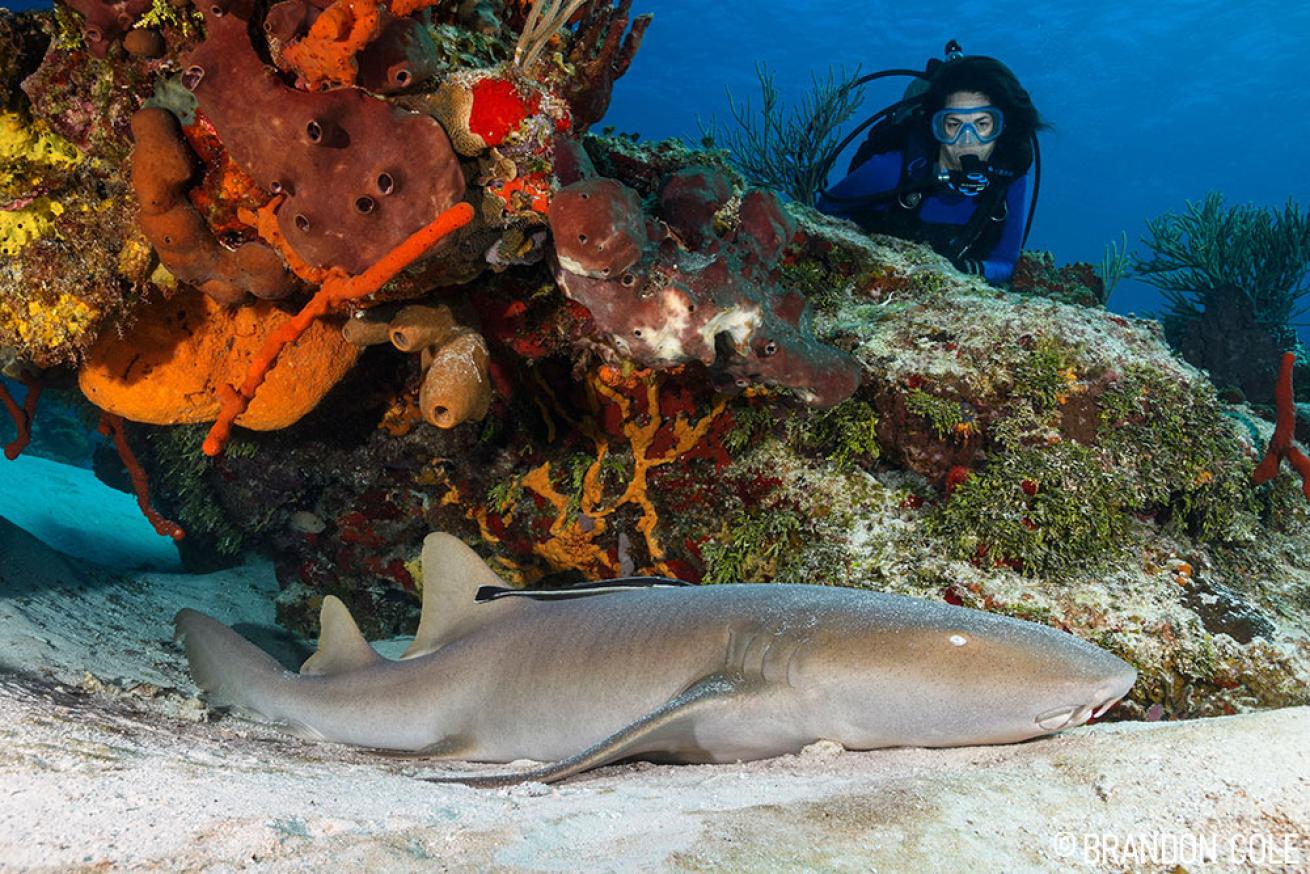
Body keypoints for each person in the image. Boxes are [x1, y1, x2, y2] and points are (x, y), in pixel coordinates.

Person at [817, 54, 1047, 284]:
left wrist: (967, 270)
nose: (967, 140)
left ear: (1001, 127)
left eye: (982, 124)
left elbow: (1006, 261)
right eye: (954, 124)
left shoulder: (1008, 180)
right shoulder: (891, 169)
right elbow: (822, 216)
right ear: (937, 126)